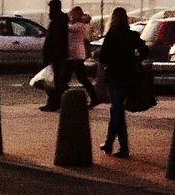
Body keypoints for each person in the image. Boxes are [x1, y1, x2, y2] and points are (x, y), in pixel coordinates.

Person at [96, 6, 149, 155]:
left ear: (112, 19)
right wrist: (135, 59)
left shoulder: (111, 35)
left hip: (114, 76)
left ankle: (123, 148)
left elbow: (103, 57)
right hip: (129, 76)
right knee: (116, 109)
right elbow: (145, 51)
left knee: (117, 110)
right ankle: (109, 143)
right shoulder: (132, 35)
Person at [62, 6, 100, 107]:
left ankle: (93, 97)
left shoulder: (80, 25)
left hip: (76, 55)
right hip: (73, 55)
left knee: (78, 78)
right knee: (76, 78)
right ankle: (93, 97)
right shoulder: (77, 24)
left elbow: (68, 28)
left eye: (73, 15)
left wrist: (64, 20)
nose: (71, 17)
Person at [39, 0, 68, 111]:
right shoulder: (61, 20)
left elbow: (53, 40)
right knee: (58, 80)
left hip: (55, 56)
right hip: (59, 55)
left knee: (53, 80)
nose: (48, 12)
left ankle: (53, 102)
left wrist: (48, 56)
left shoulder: (56, 21)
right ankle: (58, 101)